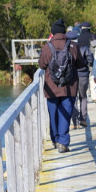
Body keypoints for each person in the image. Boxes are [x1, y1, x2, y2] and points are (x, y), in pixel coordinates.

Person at [38, 18, 85, 153]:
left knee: (53, 114)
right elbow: (80, 64)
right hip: (69, 87)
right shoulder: (72, 46)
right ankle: (63, 143)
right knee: (66, 114)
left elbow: (41, 65)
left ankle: (54, 139)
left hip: (51, 88)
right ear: (64, 32)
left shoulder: (47, 47)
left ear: (53, 32)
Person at [71, 39, 93, 129]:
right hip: (83, 75)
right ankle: (83, 119)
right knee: (83, 97)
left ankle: (75, 122)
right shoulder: (84, 48)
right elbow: (90, 60)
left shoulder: (69, 48)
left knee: (73, 98)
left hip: (72, 76)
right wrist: (87, 67)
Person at [78, 22, 96, 103]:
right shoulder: (93, 36)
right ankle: (94, 97)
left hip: (82, 62)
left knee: (84, 79)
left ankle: (85, 94)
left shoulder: (79, 38)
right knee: (93, 79)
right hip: (93, 60)